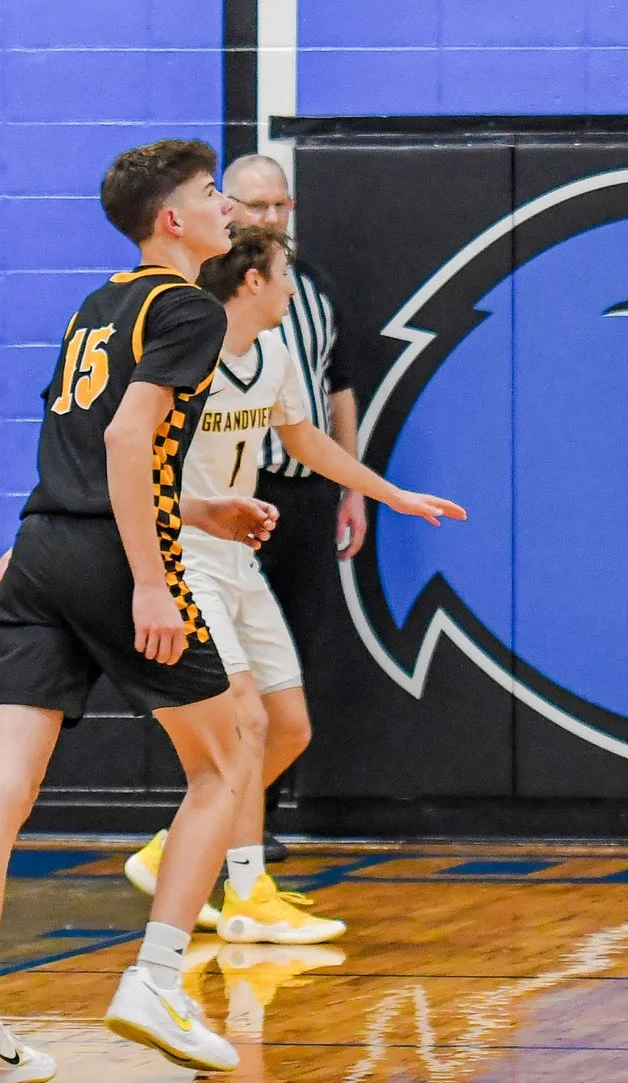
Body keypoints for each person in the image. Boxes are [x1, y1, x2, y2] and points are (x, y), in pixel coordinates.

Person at [119, 225, 464, 946]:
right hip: (186, 550)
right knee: (243, 719)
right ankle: (248, 893)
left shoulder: (273, 353)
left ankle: (171, 845)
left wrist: (391, 493)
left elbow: (306, 441)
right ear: (252, 281)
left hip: (238, 559)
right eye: (283, 274)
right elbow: (127, 456)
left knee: (290, 726)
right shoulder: (189, 351)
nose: (292, 288)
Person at [0, 140, 255, 1074]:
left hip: (40, 552)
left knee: (8, 789)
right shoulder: (189, 307)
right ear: (172, 220)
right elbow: (124, 436)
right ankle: (154, 979)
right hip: (112, 558)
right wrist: (151, 576)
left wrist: (204, 506)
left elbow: (87, 456)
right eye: (209, 193)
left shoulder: (99, 303)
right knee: (227, 764)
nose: (225, 205)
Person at [220, 154, 359, 862]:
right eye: (257, 206)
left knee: (290, 674)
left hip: (303, 494)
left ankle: (251, 821)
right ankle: (216, 821)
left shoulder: (313, 290)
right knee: (229, 684)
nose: (270, 218)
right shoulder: (198, 304)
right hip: (225, 501)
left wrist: (359, 487)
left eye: (280, 205)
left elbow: (333, 394)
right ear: (228, 207)